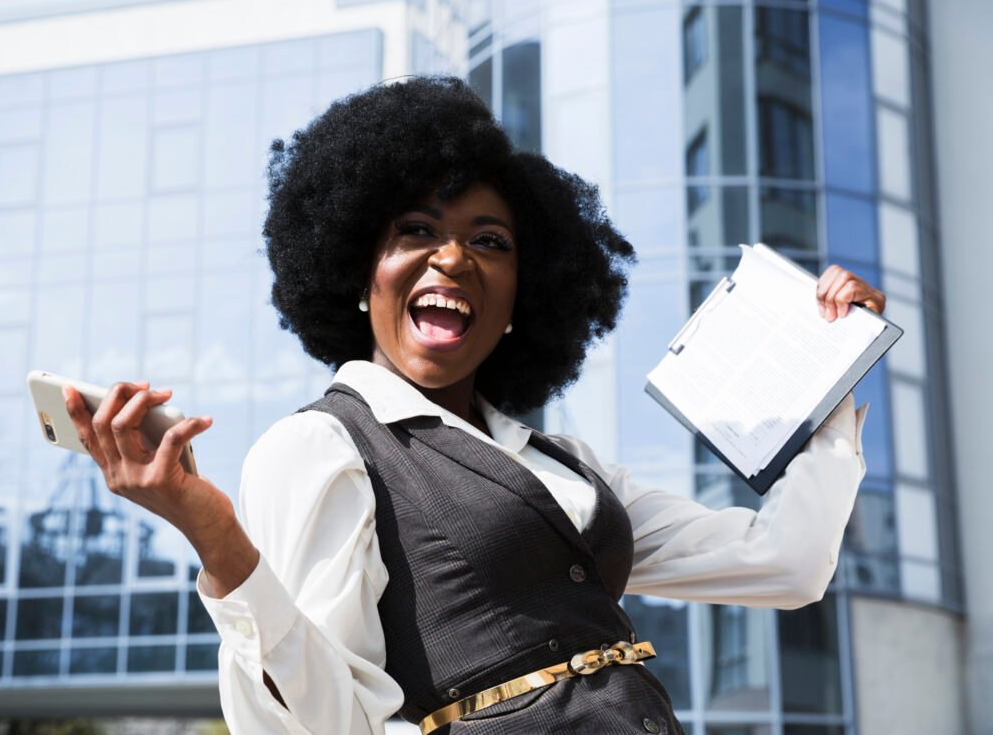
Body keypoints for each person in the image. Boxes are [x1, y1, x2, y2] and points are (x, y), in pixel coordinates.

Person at [63, 75, 885, 734]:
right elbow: (326, 724)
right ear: (358, 271)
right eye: (415, 231)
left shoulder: (572, 469)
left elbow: (789, 562)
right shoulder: (318, 448)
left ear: (526, 293)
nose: (452, 256)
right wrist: (217, 538)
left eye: (489, 241)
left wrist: (834, 378)